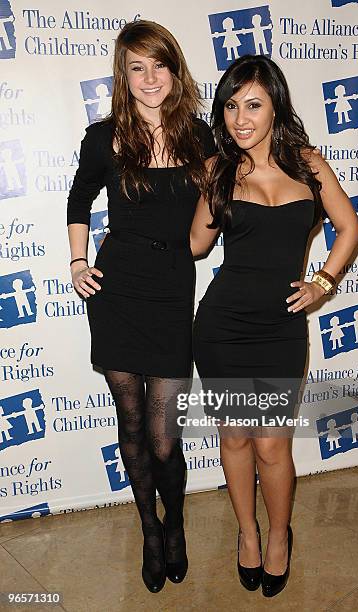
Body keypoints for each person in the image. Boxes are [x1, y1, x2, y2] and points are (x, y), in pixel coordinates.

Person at [190, 55, 358, 598]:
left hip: (279, 329)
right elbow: (196, 245)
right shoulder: (220, 169)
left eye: (254, 104)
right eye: (232, 105)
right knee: (235, 438)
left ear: (276, 106)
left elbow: (349, 228)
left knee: (273, 447)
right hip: (221, 327)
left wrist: (324, 283)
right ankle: (247, 534)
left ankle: (280, 537)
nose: (241, 117)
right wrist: (199, 190)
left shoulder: (308, 163)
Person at [67, 20, 215, 594]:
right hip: (118, 288)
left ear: (174, 71)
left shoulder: (201, 137)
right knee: (131, 425)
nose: (150, 78)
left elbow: (222, 202)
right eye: (137, 67)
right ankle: (150, 535)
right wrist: (79, 263)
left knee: (163, 437)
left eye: (159, 65)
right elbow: (79, 200)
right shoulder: (103, 138)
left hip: (173, 285)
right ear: (123, 77)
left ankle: (174, 524)